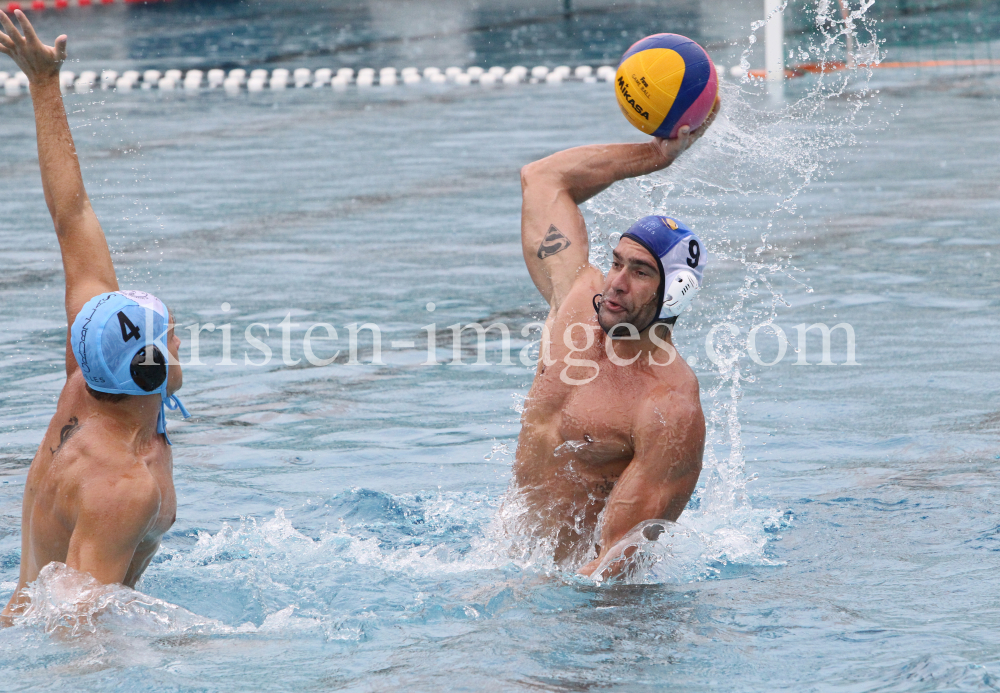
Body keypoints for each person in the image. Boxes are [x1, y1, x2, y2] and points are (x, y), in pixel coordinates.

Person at [0, 10, 190, 625]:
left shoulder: (89, 375)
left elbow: (73, 214)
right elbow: (76, 632)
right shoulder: (121, 487)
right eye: (171, 333)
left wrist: (43, 85)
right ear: (158, 364)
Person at [511, 100, 719, 580]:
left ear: (675, 293)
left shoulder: (669, 407)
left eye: (640, 272)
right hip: (512, 564)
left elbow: (616, 562)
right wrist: (655, 156)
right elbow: (542, 179)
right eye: (617, 261)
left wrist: (526, 609)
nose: (616, 282)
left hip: (580, 608)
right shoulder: (577, 304)